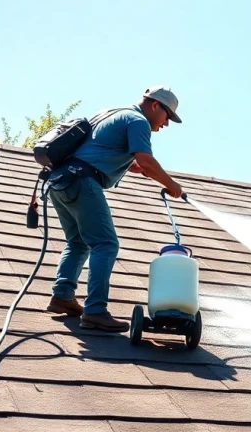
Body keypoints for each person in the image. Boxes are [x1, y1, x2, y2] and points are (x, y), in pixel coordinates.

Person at [45, 86, 185, 332]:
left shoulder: (110, 112)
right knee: (106, 244)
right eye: (168, 117)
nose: (166, 124)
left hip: (60, 180)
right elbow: (146, 161)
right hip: (83, 182)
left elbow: (96, 148)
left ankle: (63, 296)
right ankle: (95, 310)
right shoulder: (138, 121)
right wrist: (172, 185)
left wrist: (129, 166)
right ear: (155, 106)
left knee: (78, 242)